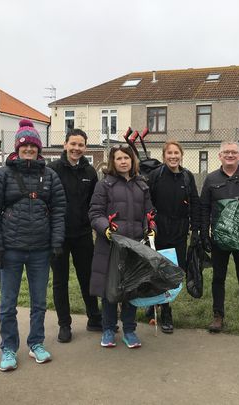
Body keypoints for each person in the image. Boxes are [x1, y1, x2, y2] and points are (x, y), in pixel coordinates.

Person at [0, 119, 66, 372]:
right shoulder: (2, 175)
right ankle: (8, 348)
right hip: (10, 249)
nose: (29, 150)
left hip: (40, 251)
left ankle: (36, 343)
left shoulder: (50, 176)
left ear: (39, 149)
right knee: (8, 303)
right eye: (25, 146)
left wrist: (56, 243)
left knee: (39, 302)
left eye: (33, 146)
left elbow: (59, 211)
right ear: (17, 148)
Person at [88, 145, 154, 349]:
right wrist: (106, 229)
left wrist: (150, 228)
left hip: (134, 247)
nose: (123, 161)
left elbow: (149, 213)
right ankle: (108, 329)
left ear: (132, 161)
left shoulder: (142, 185)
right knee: (111, 290)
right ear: (113, 162)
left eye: (127, 157)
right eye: (119, 158)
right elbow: (95, 213)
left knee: (131, 289)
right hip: (111, 246)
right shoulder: (104, 185)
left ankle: (130, 330)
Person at [200, 140, 239, 333]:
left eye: (233, 153)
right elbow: (204, 208)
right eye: (226, 152)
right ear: (220, 156)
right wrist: (204, 234)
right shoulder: (211, 179)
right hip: (220, 238)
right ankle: (218, 316)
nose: (230, 155)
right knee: (218, 278)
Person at [48, 128, 101, 343]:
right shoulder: (52, 171)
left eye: (81, 145)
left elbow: (94, 203)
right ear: (65, 145)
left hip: (82, 234)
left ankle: (94, 319)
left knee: (87, 277)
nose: (76, 149)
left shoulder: (90, 173)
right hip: (58, 236)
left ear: (85, 147)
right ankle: (64, 325)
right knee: (60, 281)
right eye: (73, 144)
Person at [146, 140, 200, 333]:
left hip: (179, 232)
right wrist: (149, 224)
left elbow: (194, 202)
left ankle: (159, 303)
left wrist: (196, 228)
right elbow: (147, 201)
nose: (173, 156)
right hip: (159, 231)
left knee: (174, 273)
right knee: (159, 271)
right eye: (169, 153)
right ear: (164, 156)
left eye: (176, 153)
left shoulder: (187, 177)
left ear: (181, 155)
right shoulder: (155, 176)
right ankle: (165, 312)